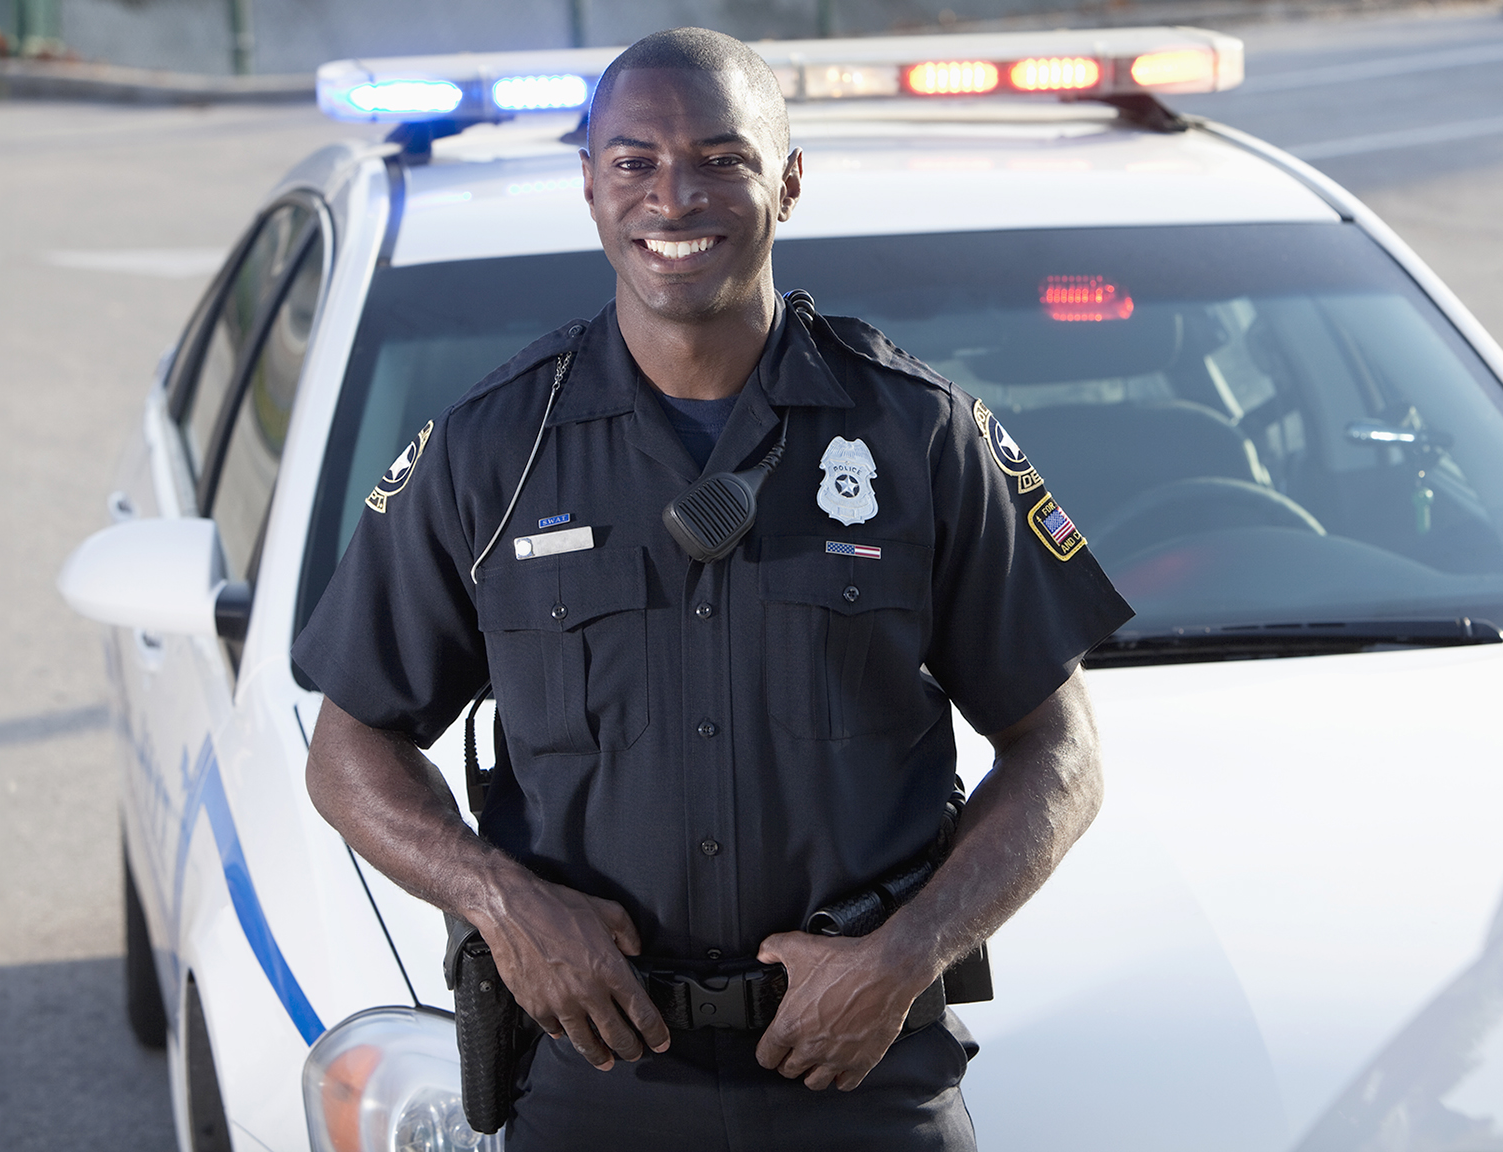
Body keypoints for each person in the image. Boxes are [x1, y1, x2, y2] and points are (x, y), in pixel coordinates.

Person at [294, 26, 1132, 1152]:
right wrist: (500, 902)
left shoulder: (915, 436)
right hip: (596, 1080)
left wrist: (904, 955)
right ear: (589, 186)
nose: (672, 197)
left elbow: (1059, 752)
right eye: (633, 161)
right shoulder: (490, 452)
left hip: (863, 1077)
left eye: (720, 159)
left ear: (787, 181)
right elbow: (349, 749)